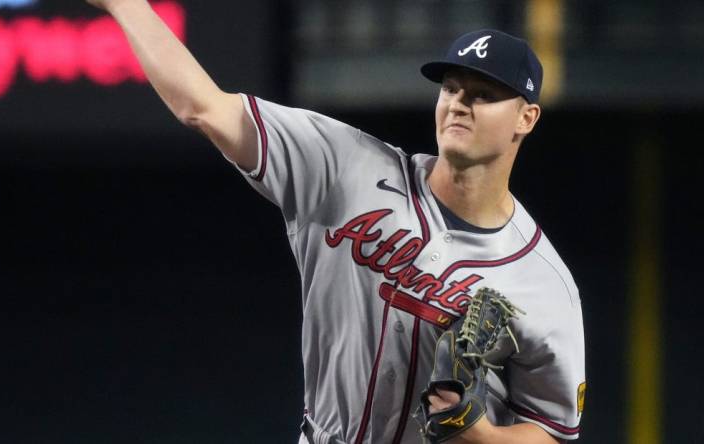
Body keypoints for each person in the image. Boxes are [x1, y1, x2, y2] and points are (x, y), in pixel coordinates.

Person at [86, 1, 586, 443]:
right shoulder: (345, 167)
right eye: (451, 88)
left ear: (526, 118)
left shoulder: (543, 283)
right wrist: (125, 5)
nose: (458, 103)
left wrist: (478, 435)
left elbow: (549, 429)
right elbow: (203, 107)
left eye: (482, 94)